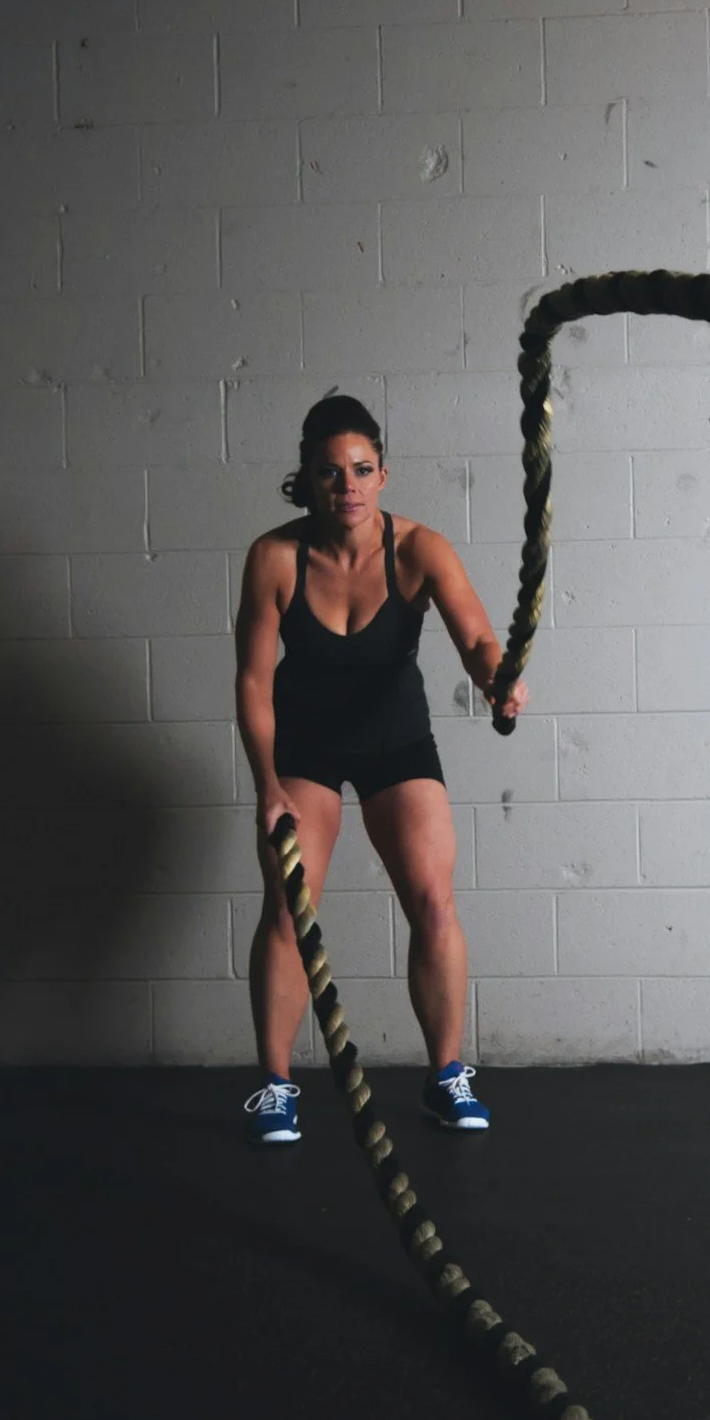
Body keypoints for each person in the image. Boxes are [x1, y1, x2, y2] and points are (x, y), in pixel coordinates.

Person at [234, 394, 528, 1145]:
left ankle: (447, 1075)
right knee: (288, 907)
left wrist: (500, 677)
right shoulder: (274, 557)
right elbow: (254, 682)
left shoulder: (420, 549)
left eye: (362, 469)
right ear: (308, 477)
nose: (348, 487)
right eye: (331, 472)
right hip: (306, 750)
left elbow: (477, 640)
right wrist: (267, 787)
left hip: (397, 746)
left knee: (434, 899)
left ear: (384, 475)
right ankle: (274, 1085)